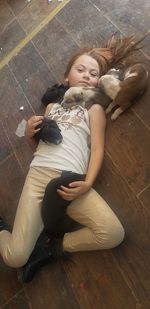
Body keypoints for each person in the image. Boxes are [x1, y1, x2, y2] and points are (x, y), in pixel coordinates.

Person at [0, 34, 145, 283]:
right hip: (39, 176)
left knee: (113, 233)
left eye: (94, 73)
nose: (87, 75)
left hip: (71, 183)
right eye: (81, 69)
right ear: (66, 77)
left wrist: (88, 182)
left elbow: (97, 148)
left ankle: (55, 247)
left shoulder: (95, 109)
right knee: (15, 257)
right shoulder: (51, 108)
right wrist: (28, 135)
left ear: (100, 82)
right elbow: (40, 146)